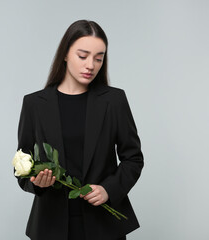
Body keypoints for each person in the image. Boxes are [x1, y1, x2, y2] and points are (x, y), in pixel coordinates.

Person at [15, 19, 144, 240]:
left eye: (99, 58)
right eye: (82, 56)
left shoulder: (114, 101)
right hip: (51, 226)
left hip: (104, 226)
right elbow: (22, 167)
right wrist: (38, 183)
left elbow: (133, 158)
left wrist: (109, 189)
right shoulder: (35, 104)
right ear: (65, 54)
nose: (91, 65)